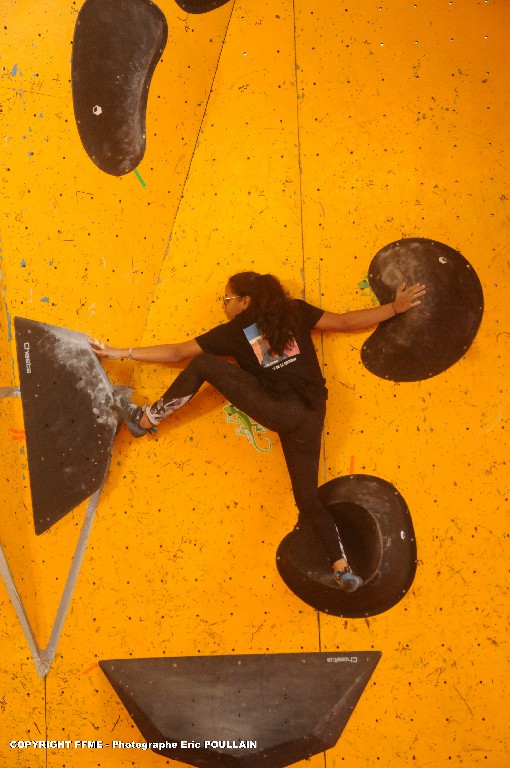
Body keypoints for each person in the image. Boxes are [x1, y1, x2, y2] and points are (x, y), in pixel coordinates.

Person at [89, 272, 425, 592]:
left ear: (245, 300)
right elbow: (346, 321)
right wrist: (394, 308)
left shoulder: (235, 331)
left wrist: (120, 352)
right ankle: (342, 569)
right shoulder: (294, 311)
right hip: (311, 415)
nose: (224, 306)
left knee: (203, 364)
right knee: (307, 499)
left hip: (280, 409)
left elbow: (178, 353)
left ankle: (145, 420)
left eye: (227, 299)